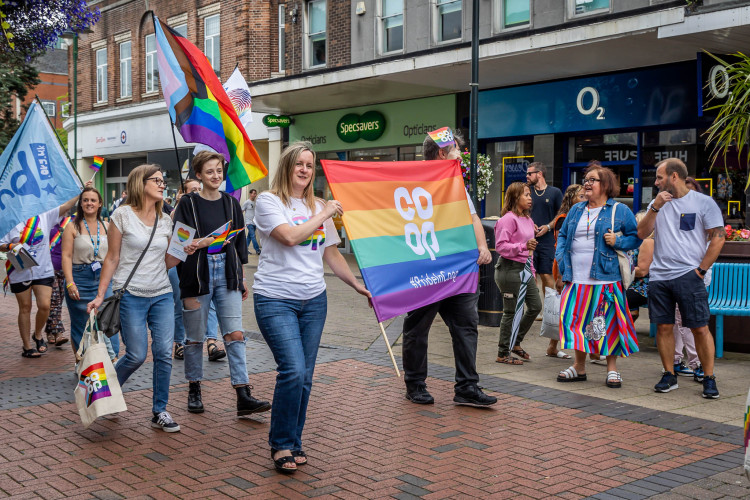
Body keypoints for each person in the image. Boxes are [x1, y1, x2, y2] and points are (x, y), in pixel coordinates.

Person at [253, 142, 370, 473]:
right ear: (287, 166)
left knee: (304, 377)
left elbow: (331, 253)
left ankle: (294, 440)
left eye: (309, 164)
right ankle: (280, 444)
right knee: (292, 369)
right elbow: (290, 236)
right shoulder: (268, 201)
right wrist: (323, 213)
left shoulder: (319, 204)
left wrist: (356, 285)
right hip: (275, 299)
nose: (305, 169)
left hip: (314, 300)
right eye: (298, 164)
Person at [88, 165, 194, 432]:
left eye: (163, 180)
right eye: (157, 180)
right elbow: (111, 258)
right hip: (130, 293)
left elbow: (168, 261)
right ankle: (107, 392)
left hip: (161, 294)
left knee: (163, 354)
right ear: (140, 183)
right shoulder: (121, 215)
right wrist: (101, 294)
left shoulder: (167, 220)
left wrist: (185, 250)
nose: (162, 184)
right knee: (135, 355)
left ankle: (160, 410)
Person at [401, 128, 497, 407]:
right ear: (443, 152)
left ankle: (467, 387)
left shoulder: (456, 184)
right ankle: (415, 383)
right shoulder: (412, 182)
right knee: (417, 328)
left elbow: (472, 217)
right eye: (457, 149)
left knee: (467, 326)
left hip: (458, 270)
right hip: (427, 269)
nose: (460, 154)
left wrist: (482, 247)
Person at [173, 151, 270, 417]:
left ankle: (243, 393)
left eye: (219, 170)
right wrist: (191, 244)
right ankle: (194, 388)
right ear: (199, 175)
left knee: (235, 334)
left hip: (226, 273)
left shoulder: (230, 203)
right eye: (209, 172)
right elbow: (178, 243)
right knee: (193, 339)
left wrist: (241, 277)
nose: (215, 176)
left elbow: (239, 244)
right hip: (196, 274)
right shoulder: (188, 204)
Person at [639, 159, 724, 398]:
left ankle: (708, 377)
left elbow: (718, 237)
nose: (656, 182)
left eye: (659, 177)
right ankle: (669, 374)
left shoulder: (703, 202)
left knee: (699, 327)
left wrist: (701, 271)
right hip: (659, 276)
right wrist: (655, 207)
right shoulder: (657, 204)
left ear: (674, 176)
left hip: (689, 275)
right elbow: (641, 234)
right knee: (664, 327)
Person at [555, 164, 641, 388]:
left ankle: (612, 370)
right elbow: (563, 236)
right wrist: (563, 263)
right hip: (576, 279)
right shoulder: (576, 210)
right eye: (586, 179)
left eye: (593, 179)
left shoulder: (619, 210)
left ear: (606, 185)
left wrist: (618, 241)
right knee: (578, 322)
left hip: (606, 279)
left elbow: (636, 237)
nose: (587, 183)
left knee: (607, 323)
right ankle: (579, 367)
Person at [0, 185, 89, 358]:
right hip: (20, 270)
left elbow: (65, 206)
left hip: (43, 270)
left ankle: (38, 334)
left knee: (45, 306)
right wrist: (10, 245)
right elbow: (1, 244)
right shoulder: (10, 219)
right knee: (25, 308)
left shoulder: (43, 216)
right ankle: (27, 346)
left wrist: (81, 190)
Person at [62, 187, 120, 360]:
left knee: (107, 319)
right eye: (85, 200)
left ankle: (112, 360)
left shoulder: (108, 226)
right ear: (80, 203)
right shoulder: (72, 227)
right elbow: (66, 256)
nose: (89, 203)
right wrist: (70, 282)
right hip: (79, 278)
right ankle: (82, 362)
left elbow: (114, 255)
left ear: (100, 203)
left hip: (103, 278)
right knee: (81, 323)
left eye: (93, 200)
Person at [493, 182, 541, 365]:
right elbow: (501, 246)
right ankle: (503, 352)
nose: (530, 198)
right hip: (509, 269)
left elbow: (531, 250)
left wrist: (533, 272)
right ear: (515, 198)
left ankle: (515, 342)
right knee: (511, 312)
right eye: (526, 195)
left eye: (530, 195)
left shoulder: (528, 220)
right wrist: (522, 246)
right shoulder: (508, 219)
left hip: (525, 269)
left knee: (535, 306)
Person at [672, 177, 708, 379]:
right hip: (676, 272)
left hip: (693, 272)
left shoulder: (700, 212)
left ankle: (689, 362)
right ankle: (689, 362)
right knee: (680, 320)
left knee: (686, 320)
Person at [547, 184, 585, 360]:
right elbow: (562, 247)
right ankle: (553, 346)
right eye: (581, 196)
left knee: (567, 306)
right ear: (571, 199)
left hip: (573, 266)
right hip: (563, 265)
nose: (584, 199)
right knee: (564, 307)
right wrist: (561, 276)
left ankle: (553, 346)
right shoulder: (563, 218)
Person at [526, 161, 563, 327]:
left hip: (547, 241)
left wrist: (548, 226)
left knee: (547, 275)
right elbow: (521, 211)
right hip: (530, 240)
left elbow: (561, 214)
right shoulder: (528, 193)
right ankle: (535, 308)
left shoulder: (554, 192)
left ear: (539, 174)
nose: (527, 176)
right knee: (531, 276)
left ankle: (550, 309)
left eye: (530, 173)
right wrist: (529, 223)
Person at [44, 219, 70, 348]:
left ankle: (50, 331)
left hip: (65, 269)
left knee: (58, 301)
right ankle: (58, 332)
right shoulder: (46, 223)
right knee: (54, 300)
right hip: (49, 268)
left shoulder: (70, 222)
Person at [626, 211, 653, 323]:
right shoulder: (635, 242)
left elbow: (642, 271)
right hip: (632, 284)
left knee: (612, 298)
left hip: (643, 287)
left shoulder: (647, 242)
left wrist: (619, 269)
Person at [243, 188, 261, 255]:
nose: (254, 195)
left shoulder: (256, 203)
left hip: (254, 222)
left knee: (249, 237)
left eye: (255, 193)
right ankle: (257, 250)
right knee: (253, 236)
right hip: (248, 222)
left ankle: (245, 249)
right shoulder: (247, 202)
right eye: (253, 193)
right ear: (250, 194)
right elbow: (241, 211)